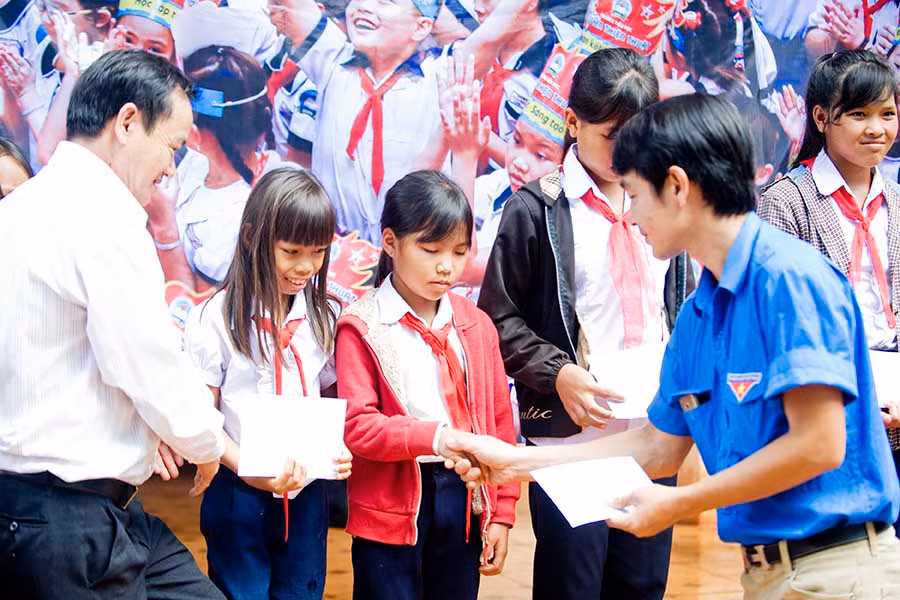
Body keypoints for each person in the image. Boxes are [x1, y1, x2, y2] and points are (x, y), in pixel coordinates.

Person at [447, 93, 900, 600]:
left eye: (636, 194)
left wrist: (680, 504)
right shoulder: (698, 315)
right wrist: (515, 463)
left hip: (838, 570)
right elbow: (656, 447)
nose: (632, 216)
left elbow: (818, 445)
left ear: (678, 187)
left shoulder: (788, 279)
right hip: (768, 573)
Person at [0, 49, 228, 598]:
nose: (172, 167)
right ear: (127, 122)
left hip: (100, 511)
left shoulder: (27, 206)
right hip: (64, 516)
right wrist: (206, 443)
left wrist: (166, 431)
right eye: (172, 146)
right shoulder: (98, 214)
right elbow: (144, 362)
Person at [477, 47, 692, 600]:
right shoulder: (534, 209)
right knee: (573, 584)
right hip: (570, 436)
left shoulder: (667, 201)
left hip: (651, 431)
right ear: (572, 122)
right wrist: (560, 374)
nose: (625, 151)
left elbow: (683, 306)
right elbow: (497, 319)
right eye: (610, 134)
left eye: (637, 134)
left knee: (642, 583)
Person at [335, 170, 519, 600]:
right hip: (390, 504)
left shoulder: (476, 324)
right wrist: (436, 437)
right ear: (390, 243)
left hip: (464, 500)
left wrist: (501, 512)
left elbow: (497, 422)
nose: (446, 266)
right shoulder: (362, 326)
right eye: (430, 249)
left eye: (458, 253)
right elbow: (358, 426)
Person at [183, 167, 352, 599]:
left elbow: (331, 393)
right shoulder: (214, 318)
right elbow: (203, 415)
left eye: (318, 252)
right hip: (238, 488)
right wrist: (250, 470)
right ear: (251, 237)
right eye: (292, 251)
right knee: (242, 592)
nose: (306, 267)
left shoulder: (323, 317)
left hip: (306, 490)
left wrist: (338, 448)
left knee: (303, 589)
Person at [758, 48, 900, 537]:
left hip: (899, 408)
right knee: (844, 558)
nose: (876, 129)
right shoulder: (785, 202)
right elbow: (780, 322)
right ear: (821, 117)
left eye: (887, 114)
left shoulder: (899, 201)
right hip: (831, 407)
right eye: (859, 114)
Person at [266, 0, 541, 244]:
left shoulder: (441, 75)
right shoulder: (331, 60)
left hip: (408, 253)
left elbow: (492, 32)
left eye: (385, 2)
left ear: (421, 27)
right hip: (333, 252)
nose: (365, 6)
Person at [146, 44, 280, 293]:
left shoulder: (239, 218)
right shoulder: (199, 161)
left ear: (194, 133)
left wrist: (163, 226)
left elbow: (196, 306)